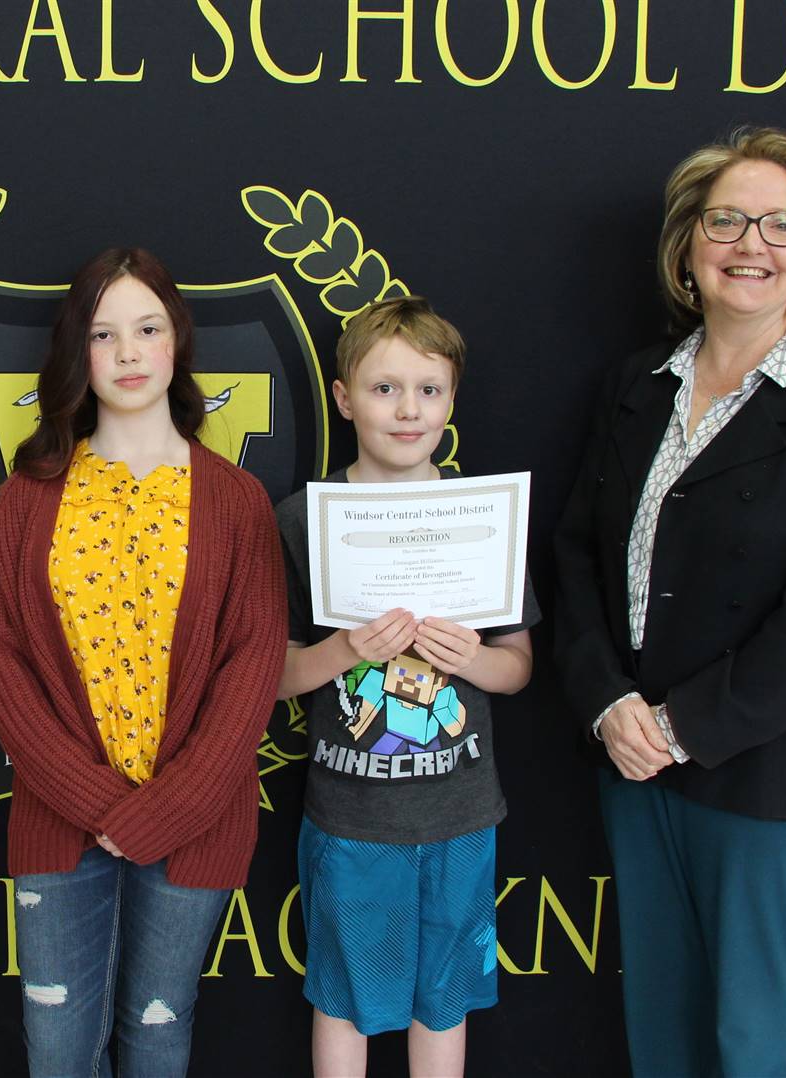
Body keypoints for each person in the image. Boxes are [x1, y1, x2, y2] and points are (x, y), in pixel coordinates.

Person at [552, 126, 786, 1077]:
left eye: (779, 224)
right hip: (636, 768)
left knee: (755, 1042)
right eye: (725, 221)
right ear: (686, 246)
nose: (750, 244)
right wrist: (608, 703)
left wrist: (685, 725)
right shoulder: (638, 383)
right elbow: (580, 552)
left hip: (770, 777)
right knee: (660, 1031)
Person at [0, 247, 286, 1077]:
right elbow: (0, 658)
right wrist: (98, 802)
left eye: (147, 329)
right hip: (59, 819)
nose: (129, 353)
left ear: (176, 342)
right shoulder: (30, 494)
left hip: (195, 822)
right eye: (105, 335)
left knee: (157, 1035)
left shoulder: (236, 500)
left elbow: (252, 665)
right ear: (79, 354)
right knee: (58, 1050)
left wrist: (164, 811)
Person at [276, 297, 537, 1077]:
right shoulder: (301, 522)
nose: (408, 408)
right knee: (344, 1000)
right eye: (385, 388)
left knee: (444, 999)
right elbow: (277, 678)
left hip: (460, 813)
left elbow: (517, 666)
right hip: (353, 816)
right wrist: (346, 648)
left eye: (428, 389)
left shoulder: (485, 518)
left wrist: (466, 658)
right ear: (344, 397)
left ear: (452, 400)